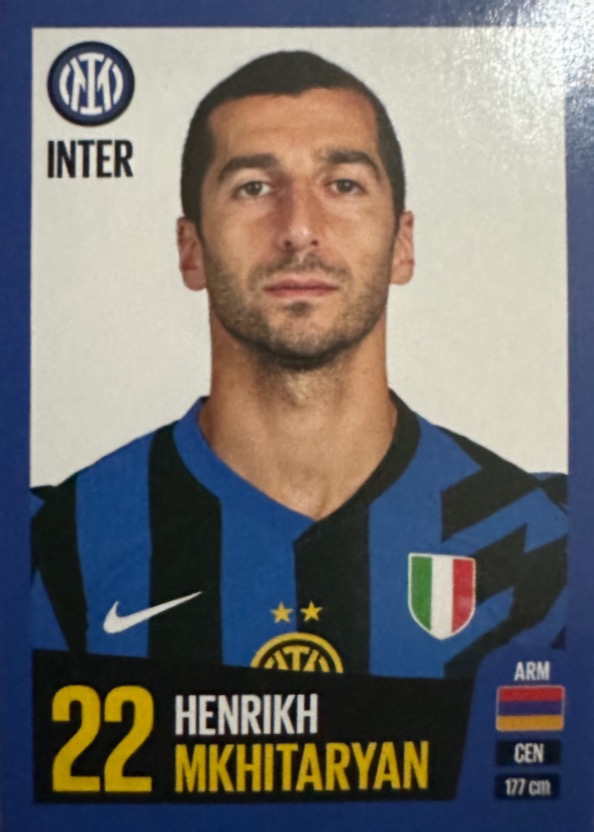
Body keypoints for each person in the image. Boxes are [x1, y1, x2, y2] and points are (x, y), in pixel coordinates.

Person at [32, 51, 566, 678]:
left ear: (402, 245)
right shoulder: (55, 545)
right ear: (191, 249)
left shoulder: (542, 536)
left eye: (343, 184)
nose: (299, 229)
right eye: (254, 188)